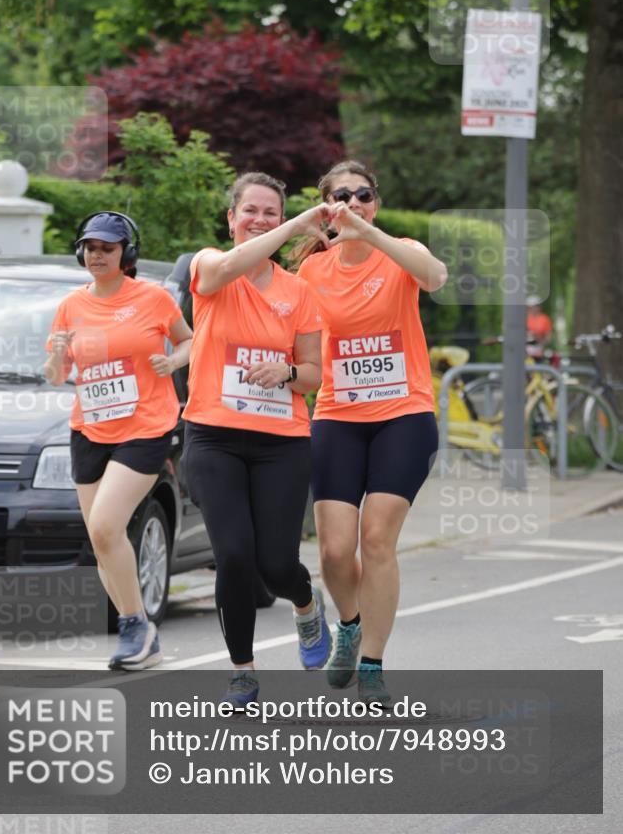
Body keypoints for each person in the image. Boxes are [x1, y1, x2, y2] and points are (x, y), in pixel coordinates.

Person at [294, 161, 448, 706]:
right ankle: (350, 625)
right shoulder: (312, 272)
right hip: (337, 414)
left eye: (363, 195)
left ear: (374, 203)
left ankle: (375, 664)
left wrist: (371, 235)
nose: (354, 202)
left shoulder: (398, 250)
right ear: (326, 205)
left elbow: (436, 278)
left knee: (377, 540)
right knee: (336, 552)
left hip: (403, 414)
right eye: (342, 195)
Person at [181, 172, 333, 706]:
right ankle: (243, 672)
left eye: (271, 212)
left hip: (280, 443)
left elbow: (315, 373)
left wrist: (287, 373)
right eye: (251, 211)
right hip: (214, 437)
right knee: (235, 555)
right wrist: (296, 226)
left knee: (274, 564)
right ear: (231, 218)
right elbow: (229, 264)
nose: (260, 220)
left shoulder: (300, 293)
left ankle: (306, 604)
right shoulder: (209, 267)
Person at [45, 212, 193, 671]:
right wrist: (56, 351)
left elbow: (190, 340)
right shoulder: (71, 305)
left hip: (145, 426)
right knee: (99, 538)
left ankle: (133, 626)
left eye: (107, 248)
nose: (97, 255)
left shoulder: (152, 298)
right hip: (89, 428)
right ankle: (141, 631)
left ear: (126, 254)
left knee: (108, 526)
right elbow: (56, 375)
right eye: (90, 247)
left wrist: (174, 362)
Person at [526, 295, 553, 359]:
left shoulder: (545, 319)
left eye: (537, 306)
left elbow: (548, 337)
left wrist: (540, 343)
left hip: (539, 349)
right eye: (533, 306)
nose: (535, 308)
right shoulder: (524, 318)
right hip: (524, 349)